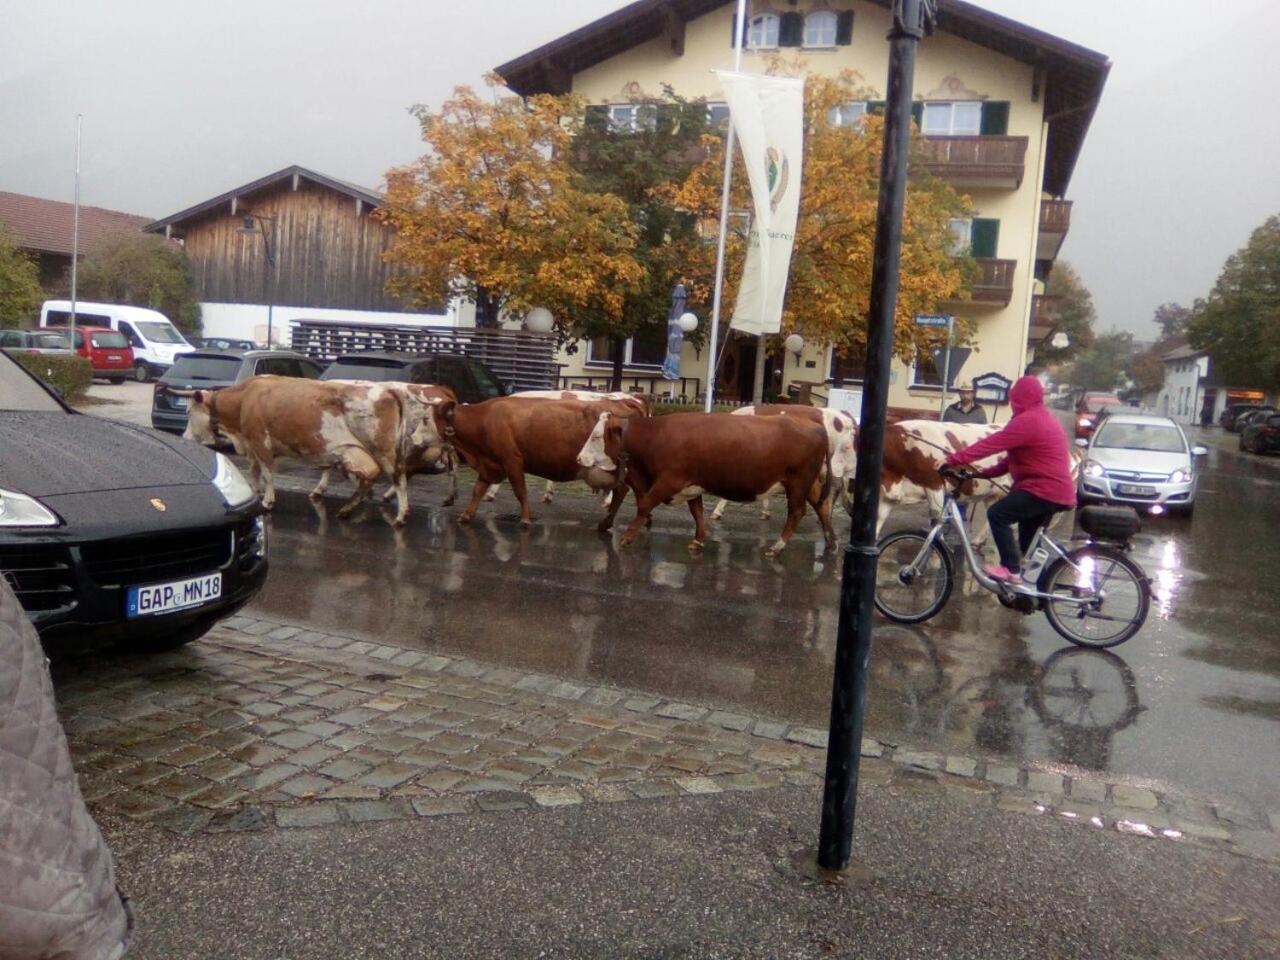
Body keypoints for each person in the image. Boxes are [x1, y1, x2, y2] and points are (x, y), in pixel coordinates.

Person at [943, 375, 1076, 585]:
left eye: (1015, 398)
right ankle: (1041, 590)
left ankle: (1010, 570)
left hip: (1043, 490)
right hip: (1052, 490)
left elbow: (992, 444)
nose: (1013, 403)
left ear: (1020, 398)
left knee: (997, 514)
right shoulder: (1039, 417)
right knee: (1028, 543)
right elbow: (1009, 461)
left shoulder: (1028, 420)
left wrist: (953, 459)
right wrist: (981, 473)